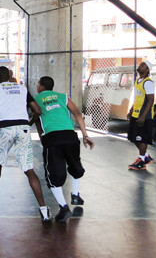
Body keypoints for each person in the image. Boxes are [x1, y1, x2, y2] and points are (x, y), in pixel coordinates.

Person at [0, 66, 52, 222]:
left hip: (5, 128)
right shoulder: (22, 88)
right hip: (23, 128)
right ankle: (44, 210)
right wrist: (28, 123)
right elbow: (37, 110)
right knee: (28, 169)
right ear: (10, 76)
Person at [33, 76, 94, 222]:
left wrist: (42, 137)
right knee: (75, 166)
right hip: (70, 135)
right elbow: (77, 113)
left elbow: (37, 118)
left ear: (41, 86)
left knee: (54, 175)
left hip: (52, 137)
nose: (37, 86)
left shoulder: (35, 99)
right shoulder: (62, 97)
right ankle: (75, 194)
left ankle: (63, 207)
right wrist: (85, 135)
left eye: (37, 84)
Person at [127, 61, 155, 170]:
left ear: (147, 69)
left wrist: (143, 116)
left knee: (141, 138)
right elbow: (138, 98)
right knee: (133, 137)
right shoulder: (138, 81)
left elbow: (150, 100)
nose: (140, 66)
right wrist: (131, 109)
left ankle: (141, 161)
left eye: (143, 65)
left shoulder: (148, 83)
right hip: (136, 113)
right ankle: (146, 156)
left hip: (144, 115)